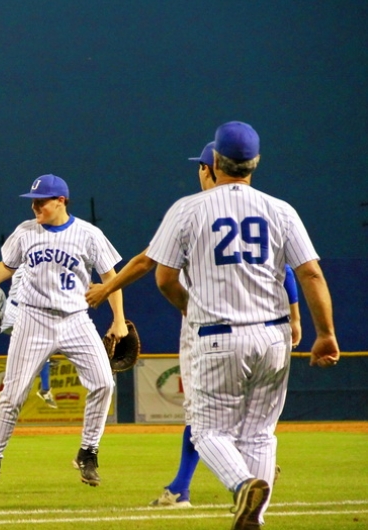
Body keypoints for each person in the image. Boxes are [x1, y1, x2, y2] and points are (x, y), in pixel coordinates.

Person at [86, 140, 303, 509]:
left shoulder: (193, 212)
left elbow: (147, 264)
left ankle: (223, 481)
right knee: (253, 425)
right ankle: (211, 485)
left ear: (210, 168)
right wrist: (296, 317)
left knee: (206, 420)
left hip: (209, 327)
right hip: (267, 328)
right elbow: (290, 269)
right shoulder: (268, 209)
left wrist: (107, 288)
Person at [144, 121, 339, 529]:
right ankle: (256, 521)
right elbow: (312, 275)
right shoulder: (280, 209)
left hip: (217, 335)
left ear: (215, 161)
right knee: (260, 434)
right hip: (273, 336)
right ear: (256, 162)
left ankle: (243, 484)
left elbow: (163, 277)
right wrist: (325, 333)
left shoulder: (188, 208)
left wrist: (190, 307)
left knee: (206, 432)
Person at [0, 174, 128, 492]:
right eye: (33, 201)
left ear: (61, 201)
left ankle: (88, 453)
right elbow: (5, 268)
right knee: (12, 395)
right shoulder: (25, 232)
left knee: (105, 383)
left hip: (76, 319)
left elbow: (111, 278)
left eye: (42, 201)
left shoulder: (88, 234)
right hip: (32, 320)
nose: (35, 205)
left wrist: (119, 319)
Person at [2, 266, 57, 408]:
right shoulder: (28, 267)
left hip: (21, 314)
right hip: (13, 312)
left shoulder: (34, 265)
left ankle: (44, 388)